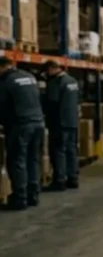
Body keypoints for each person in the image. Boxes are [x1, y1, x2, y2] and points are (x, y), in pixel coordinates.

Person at [0, 57, 46, 210]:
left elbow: (2, 104)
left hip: (21, 125)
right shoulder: (29, 76)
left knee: (17, 160)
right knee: (33, 159)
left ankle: (20, 198)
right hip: (38, 122)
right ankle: (33, 194)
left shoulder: (6, 81)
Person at [42, 60, 80, 192]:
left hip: (60, 122)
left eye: (47, 71)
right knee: (71, 150)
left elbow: (52, 102)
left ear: (52, 68)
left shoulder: (55, 83)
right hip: (72, 121)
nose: (47, 74)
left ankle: (59, 180)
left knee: (58, 151)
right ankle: (73, 178)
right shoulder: (72, 81)